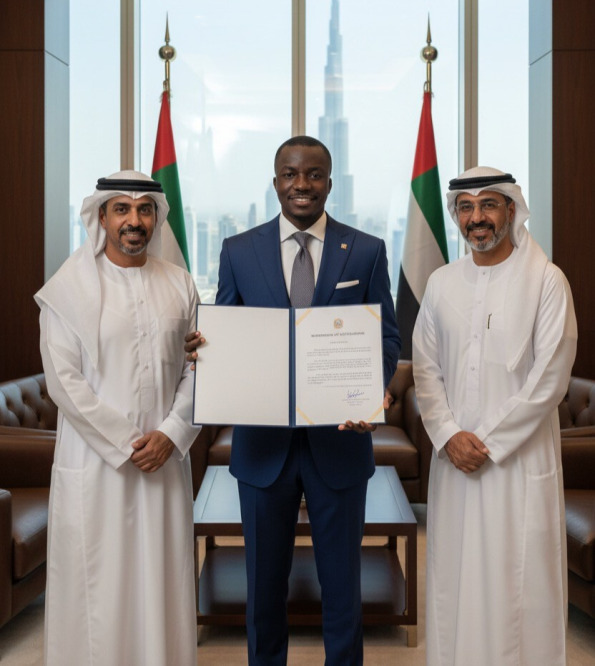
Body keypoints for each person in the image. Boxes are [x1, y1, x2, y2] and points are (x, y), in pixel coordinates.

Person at [187, 136, 400, 665]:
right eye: (290, 174)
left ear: (330, 181)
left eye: (314, 174)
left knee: (343, 589)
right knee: (263, 591)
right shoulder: (238, 250)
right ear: (276, 181)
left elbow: (386, 337)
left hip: (340, 445)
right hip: (263, 450)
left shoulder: (367, 249)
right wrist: (207, 351)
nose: (301, 184)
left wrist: (371, 390)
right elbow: (227, 330)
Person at [412, 166, 578, 665]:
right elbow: (425, 369)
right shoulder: (441, 283)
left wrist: (486, 441)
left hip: (518, 464)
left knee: (520, 587)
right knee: (456, 579)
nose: (477, 217)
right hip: (455, 463)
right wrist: (449, 434)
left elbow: (550, 377)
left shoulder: (546, 281)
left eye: (488, 204)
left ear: (511, 209)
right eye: (466, 207)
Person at [34, 171, 201, 666]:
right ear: (102, 217)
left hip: (164, 462)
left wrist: (171, 433)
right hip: (96, 465)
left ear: (156, 218)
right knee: (98, 589)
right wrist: (129, 442)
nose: (134, 220)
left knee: (161, 581)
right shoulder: (67, 290)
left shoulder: (180, 283)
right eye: (122, 209)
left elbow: (200, 368)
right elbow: (64, 382)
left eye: (144, 209)